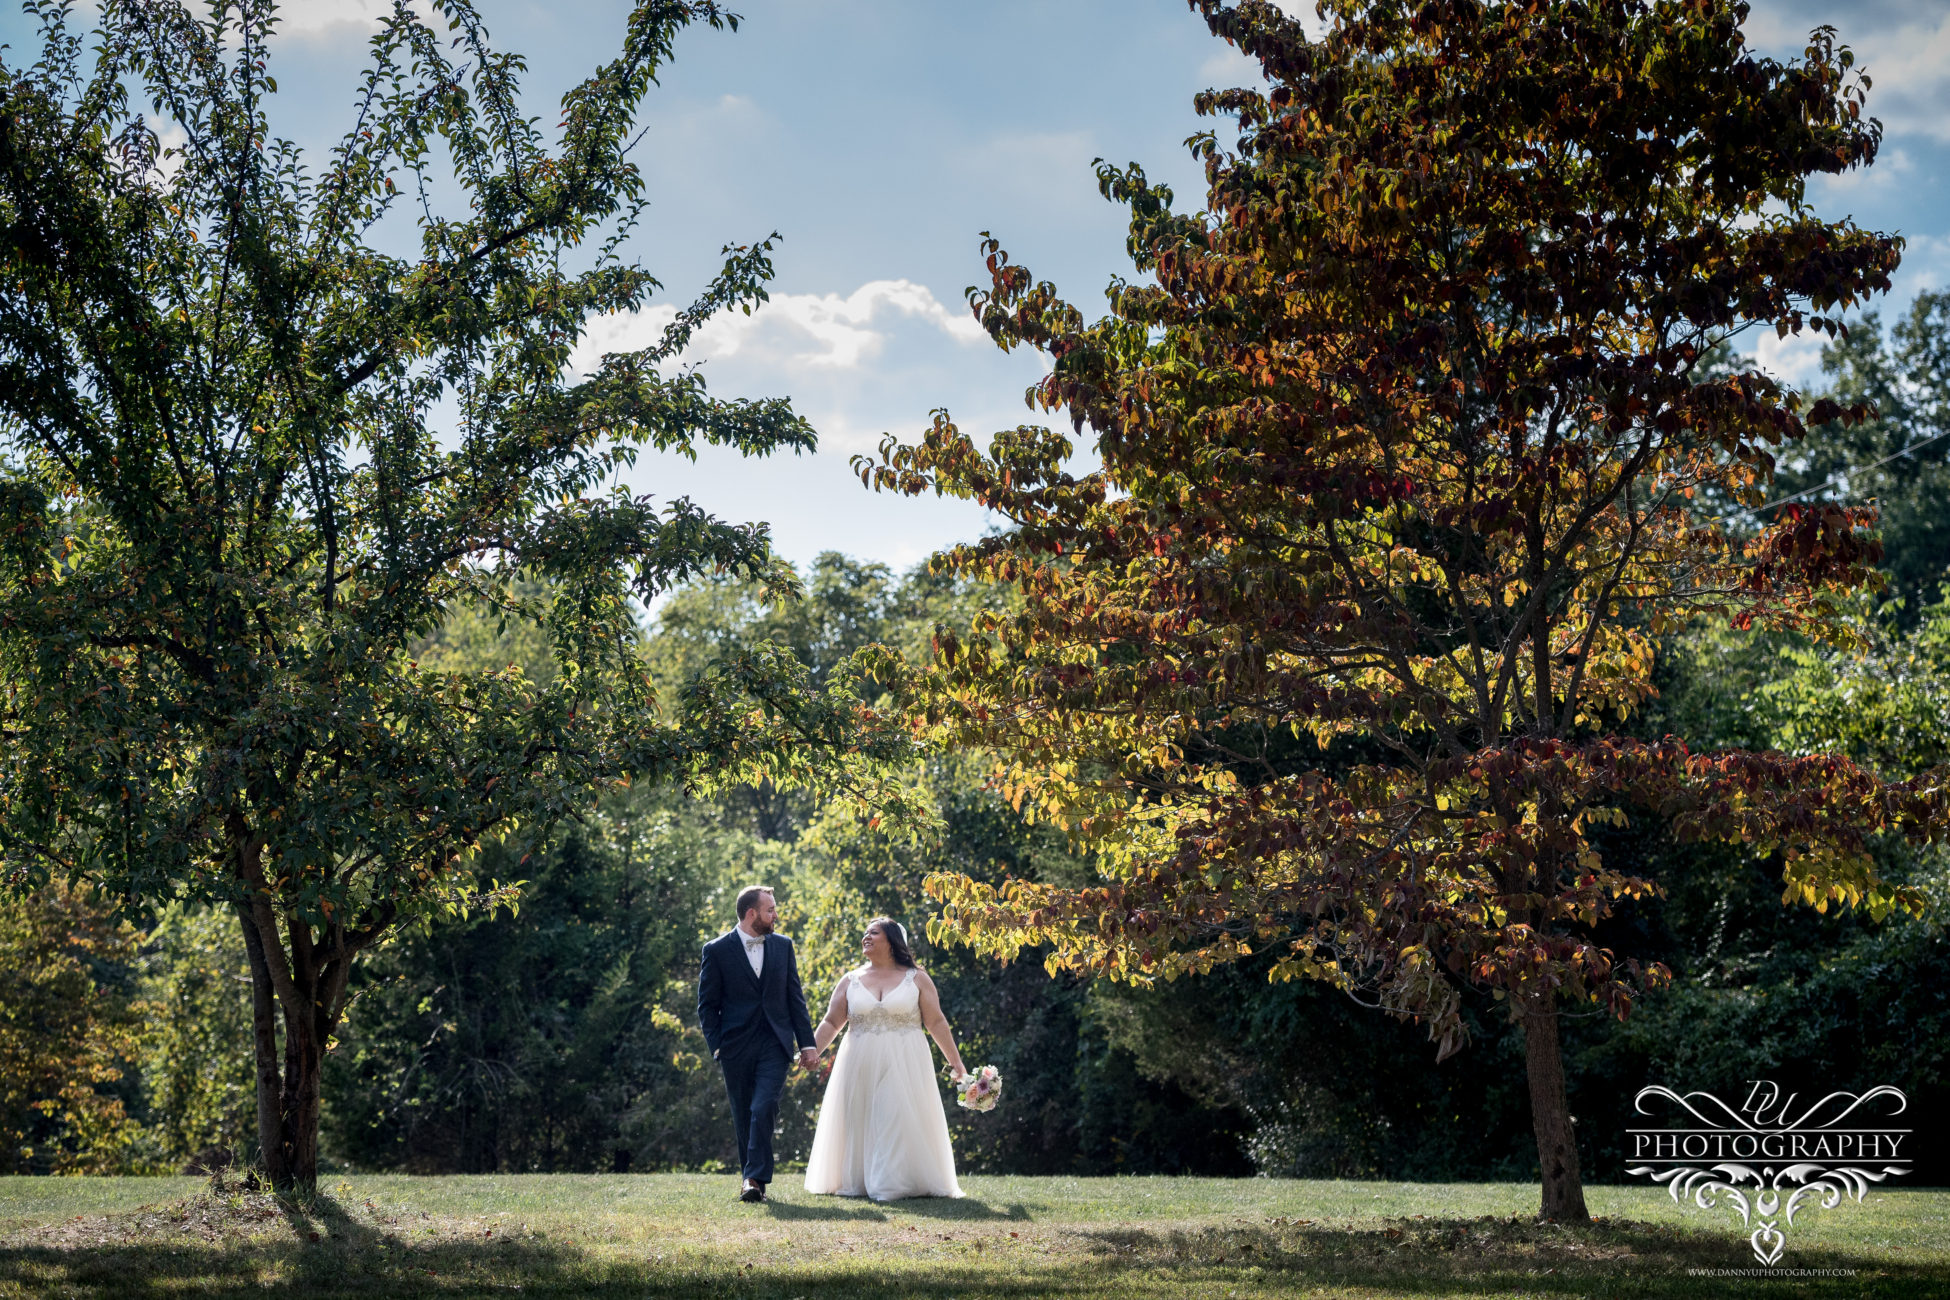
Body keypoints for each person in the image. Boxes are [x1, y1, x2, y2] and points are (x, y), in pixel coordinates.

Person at [803, 917, 965, 1201]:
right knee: (862, 1118)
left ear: (892, 941)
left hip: (904, 1060)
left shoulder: (916, 978)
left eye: (874, 933)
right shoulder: (851, 979)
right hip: (859, 1060)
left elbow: (936, 1022)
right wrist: (811, 1050)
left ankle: (889, 1185)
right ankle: (863, 1180)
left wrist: (956, 1062)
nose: (866, 937)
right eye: (865, 932)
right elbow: (831, 1022)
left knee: (892, 1114)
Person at [696, 885, 818, 1204]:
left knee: (763, 1106)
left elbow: (795, 1000)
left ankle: (753, 1177)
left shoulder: (783, 946)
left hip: (775, 1044)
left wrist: (807, 1044)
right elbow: (707, 1006)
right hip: (735, 1046)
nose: (775, 915)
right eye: (770, 910)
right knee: (743, 1113)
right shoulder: (717, 950)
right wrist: (717, 1046)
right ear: (752, 913)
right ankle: (751, 1182)